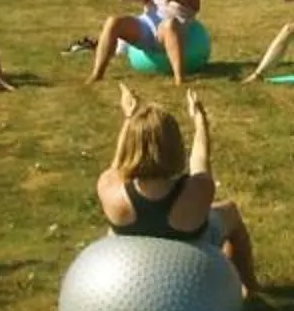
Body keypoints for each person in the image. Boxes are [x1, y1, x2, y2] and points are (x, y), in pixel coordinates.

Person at [93, 83, 260, 296]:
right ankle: (250, 286)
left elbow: (117, 166)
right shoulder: (197, 191)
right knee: (230, 212)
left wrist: (129, 117)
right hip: (186, 270)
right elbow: (200, 160)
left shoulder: (109, 188)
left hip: (130, 272)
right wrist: (200, 122)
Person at [88, 0, 205, 84]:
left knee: (170, 23)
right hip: (144, 31)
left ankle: (179, 79)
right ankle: (97, 74)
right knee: (113, 21)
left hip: (167, 35)